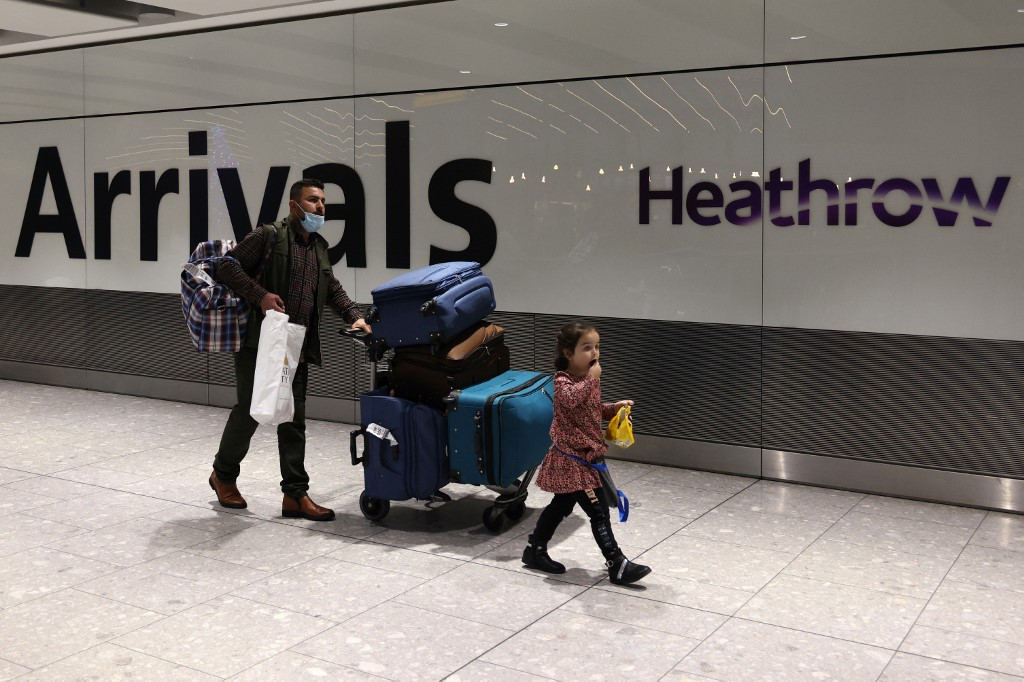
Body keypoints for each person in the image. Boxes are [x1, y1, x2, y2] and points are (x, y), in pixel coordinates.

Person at [208, 178, 371, 521]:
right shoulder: (268, 235)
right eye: (313, 200)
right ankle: (223, 475)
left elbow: (332, 288)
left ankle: (295, 495)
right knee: (251, 410)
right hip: (262, 341)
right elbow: (226, 266)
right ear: (294, 206)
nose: (320, 207)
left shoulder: (319, 247)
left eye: (323, 201)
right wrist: (261, 296)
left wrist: (354, 316)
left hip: (296, 342)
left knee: (293, 418)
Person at [522, 320, 652, 585]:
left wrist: (612, 408)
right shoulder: (562, 380)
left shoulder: (585, 380)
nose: (594, 353)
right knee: (598, 511)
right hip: (573, 459)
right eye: (586, 348)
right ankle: (617, 563)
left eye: (597, 347)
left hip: (585, 457)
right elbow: (569, 402)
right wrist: (592, 380)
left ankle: (535, 548)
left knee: (561, 504)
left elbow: (588, 409)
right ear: (568, 353)